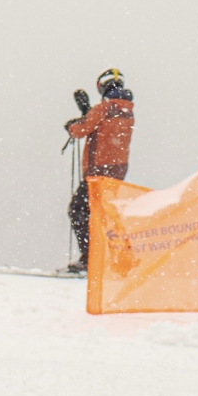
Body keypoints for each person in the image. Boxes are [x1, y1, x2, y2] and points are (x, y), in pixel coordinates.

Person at [63, 70, 135, 272]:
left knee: (78, 210)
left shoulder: (103, 109)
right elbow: (103, 129)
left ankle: (90, 259)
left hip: (97, 172)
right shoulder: (128, 111)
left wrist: (72, 124)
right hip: (117, 171)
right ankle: (124, 261)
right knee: (107, 214)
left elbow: (81, 129)